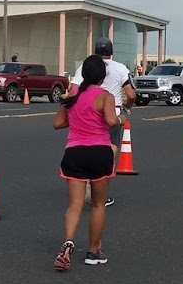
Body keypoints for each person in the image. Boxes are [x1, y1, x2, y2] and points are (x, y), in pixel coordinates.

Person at [53, 54, 122, 270]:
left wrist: (78, 119)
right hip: (99, 152)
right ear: (103, 76)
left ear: (83, 74)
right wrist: (121, 119)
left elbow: (58, 123)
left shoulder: (72, 96)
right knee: (98, 204)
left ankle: (68, 242)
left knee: (74, 205)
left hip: (75, 152)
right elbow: (111, 120)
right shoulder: (105, 96)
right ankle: (93, 251)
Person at [68, 37, 136, 206]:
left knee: (86, 145)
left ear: (95, 50)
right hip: (112, 113)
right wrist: (127, 107)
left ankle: (85, 182)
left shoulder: (85, 66)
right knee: (110, 149)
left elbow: (72, 90)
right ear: (112, 52)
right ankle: (100, 192)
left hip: (89, 112)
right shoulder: (120, 68)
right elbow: (131, 94)